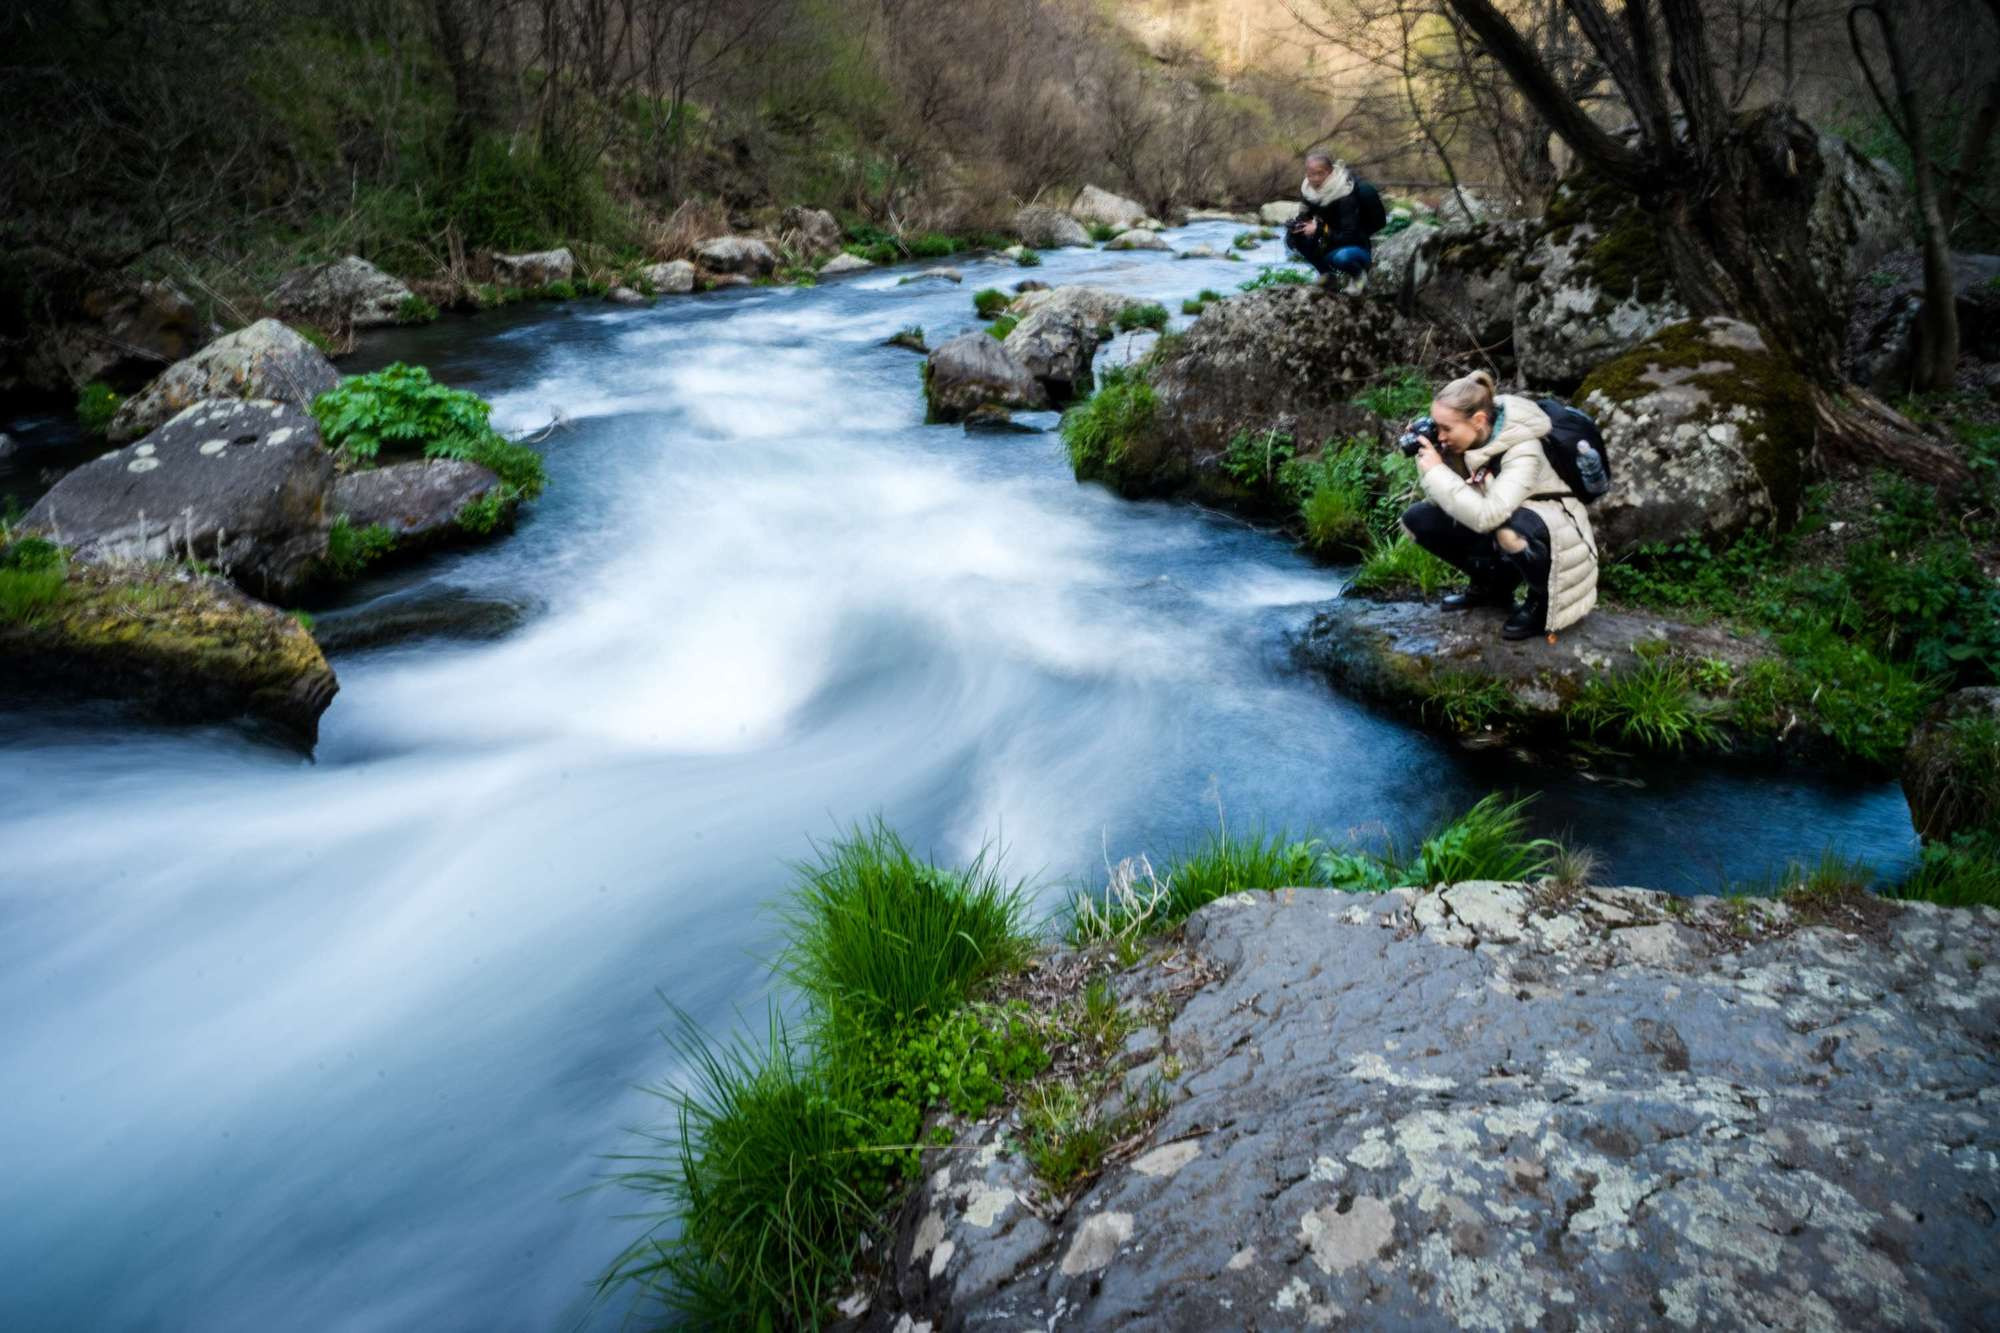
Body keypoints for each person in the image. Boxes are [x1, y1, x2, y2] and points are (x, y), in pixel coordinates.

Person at [1399, 370, 1598, 640]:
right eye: (1436, 426)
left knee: (1512, 527)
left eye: (1446, 428)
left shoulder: (1524, 448)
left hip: (1557, 534)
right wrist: (1438, 458)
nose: (1440, 435)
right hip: (1507, 519)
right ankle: (1492, 587)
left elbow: (1489, 516)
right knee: (1420, 518)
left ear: (1478, 420)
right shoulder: (1473, 438)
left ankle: (1542, 601)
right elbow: (1451, 502)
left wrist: (1435, 471)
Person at [1284, 152, 1385, 292]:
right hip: (1329, 242)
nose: (1315, 179)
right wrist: (1294, 228)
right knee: (1296, 239)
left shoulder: (1345, 193)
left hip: (1355, 246)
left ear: (1330, 172)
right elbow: (1305, 218)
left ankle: (1358, 277)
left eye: (1320, 174)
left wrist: (1319, 230)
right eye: (1310, 174)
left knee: (1341, 258)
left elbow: (1349, 235)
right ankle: (1328, 276)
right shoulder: (1309, 192)